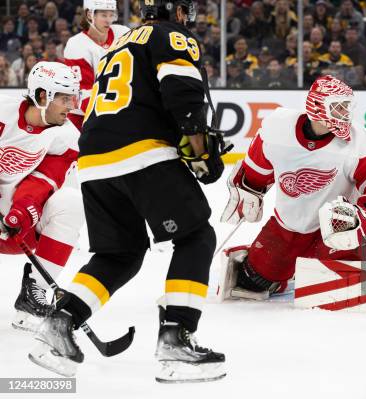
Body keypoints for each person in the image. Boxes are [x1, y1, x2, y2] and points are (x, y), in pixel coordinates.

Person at [28, 0, 228, 383]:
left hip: (93, 161)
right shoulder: (172, 35)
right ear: (176, 9)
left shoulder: (118, 45)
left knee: (120, 253)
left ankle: (60, 322)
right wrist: (202, 151)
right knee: (196, 236)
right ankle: (177, 337)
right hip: (142, 153)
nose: (188, 16)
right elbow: (182, 96)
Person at [219, 75, 366, 300]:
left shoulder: (359, 141)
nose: (345, 114)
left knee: (333, 285)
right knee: (253, 281)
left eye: (347, 107)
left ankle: (342, 264)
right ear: (318, 107)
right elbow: (258, 166)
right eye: (339, 107)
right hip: (287, 226)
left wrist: (363, 213)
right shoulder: (278, 127)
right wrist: (249, 189)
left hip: (335, 230)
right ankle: (287, 272)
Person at [0, 61, 83, 332]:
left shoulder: (68, 136)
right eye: (64, 98)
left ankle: (33, 293)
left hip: (14, 228)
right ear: (42, 96)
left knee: (70, 203)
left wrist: (20, 212)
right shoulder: (3, 111)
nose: (71, 105)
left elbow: (44, 181)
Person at [63, 0, 130, 130]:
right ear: (89, 15)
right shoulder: (76, 45)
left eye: (111, 15)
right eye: (103, 15)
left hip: (120, 109)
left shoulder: (123, 33)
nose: (108, 20)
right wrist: (115, 112)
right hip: (84, 120)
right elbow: (82, 94)